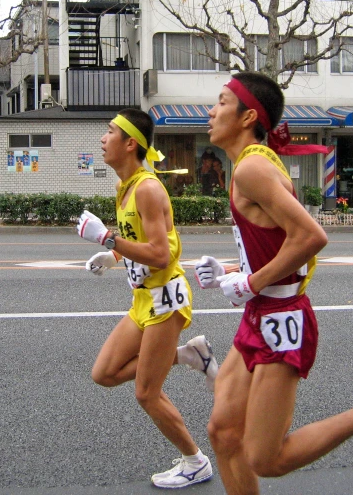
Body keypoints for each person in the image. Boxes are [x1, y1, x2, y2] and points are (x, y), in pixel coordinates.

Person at [194, 72, 353, 495]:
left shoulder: (251, 169)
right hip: (260, 312)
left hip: (282, 318)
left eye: (221, 102)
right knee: (223, 432)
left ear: (248, 116)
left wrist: (249, 282)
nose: (211, 111)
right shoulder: (248, 165)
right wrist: (233, 271)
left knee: (267, 459)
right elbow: (278, 242)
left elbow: (311, 238)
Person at [76, 108, 218, 489]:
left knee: (146, 393)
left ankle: (196, 461)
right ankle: (189, 355)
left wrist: (106, 238)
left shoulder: (148, 188)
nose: (103, 139)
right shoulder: (125, 186)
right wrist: (113, 256)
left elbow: (160, 254)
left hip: (166, 300)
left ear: (130, 144)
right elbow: (139, 243)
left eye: (109, 132)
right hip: (143, 300)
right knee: (103, 373)